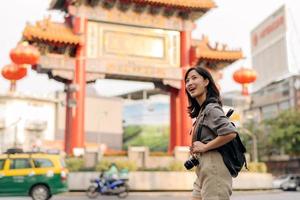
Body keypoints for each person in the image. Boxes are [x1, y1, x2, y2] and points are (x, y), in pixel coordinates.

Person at [185, 66, 238, 200]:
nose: (189, 83)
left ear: (206, 81)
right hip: (203, 168)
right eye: (187, 80)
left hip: (214, 166)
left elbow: (230, 132)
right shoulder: (203, 111)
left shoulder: (211, 108)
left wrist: (205, 146)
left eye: (194, 78)